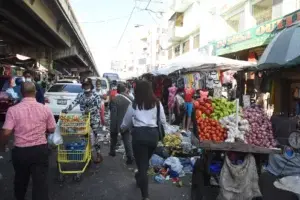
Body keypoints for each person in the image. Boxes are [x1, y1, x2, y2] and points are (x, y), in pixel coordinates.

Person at [0, 82, 56, 200]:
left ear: (21, 93)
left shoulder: (13, 110)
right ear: (35, 93)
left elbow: (6, 132)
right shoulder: (45, 109)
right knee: (40, 184)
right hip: (40, 150)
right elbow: (52, 129)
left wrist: (2, 146)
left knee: (20, 180)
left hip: (21, 152)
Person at [121, 80, 167, 200]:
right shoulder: (157, 103)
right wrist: (164, 136)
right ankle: (138, 176)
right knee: (144, 163)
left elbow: (126, 121)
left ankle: (145, 196)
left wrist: (122, 128)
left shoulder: (134, 104)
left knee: (142, 167)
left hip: (139, 137)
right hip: (153, 137)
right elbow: (162, 121)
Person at [62, 78, 103, 163]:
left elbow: (99, 106)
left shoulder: (95, 95)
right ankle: (87, 154)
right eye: (84, 85)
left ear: (91, 86)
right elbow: (74, 103)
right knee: (84, 137)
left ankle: (98, 154)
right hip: (84, 119)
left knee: (96, 137)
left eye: (87, 85)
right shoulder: (80, 95)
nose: (86, 87)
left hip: (94, 119)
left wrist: (90, 110)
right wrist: (66, 110)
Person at [109, 83, 134, 165]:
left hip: (117, 121)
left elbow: (113, 114)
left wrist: (113, 126)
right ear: (125, 89)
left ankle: (112, 151)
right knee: (127, 140)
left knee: (113, 136)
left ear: (118, 90)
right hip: (128, 122)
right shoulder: (131, 98)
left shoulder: (114, 99)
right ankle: (130, 157)